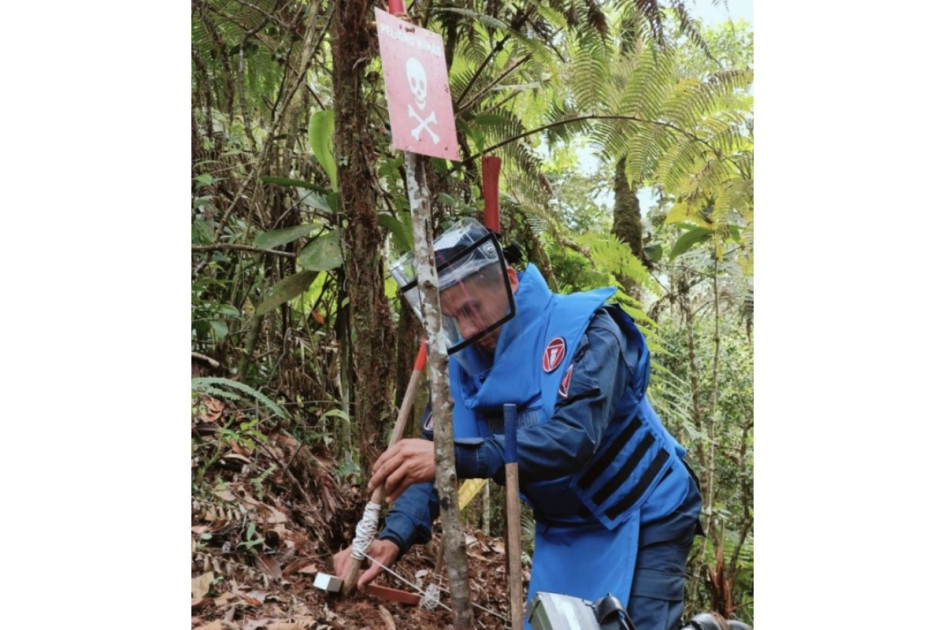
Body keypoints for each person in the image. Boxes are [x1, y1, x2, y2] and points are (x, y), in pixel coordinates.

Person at [334, 217, 702, 630]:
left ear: (507, 279)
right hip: (565, 527)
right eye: (455, 317)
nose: (470, 328)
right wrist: (391, 538)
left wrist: (452, 456)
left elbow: (572, 440)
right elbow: (433, 468)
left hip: (645, 508)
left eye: (474, 307)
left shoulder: (588, 331)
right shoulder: (464, 366)